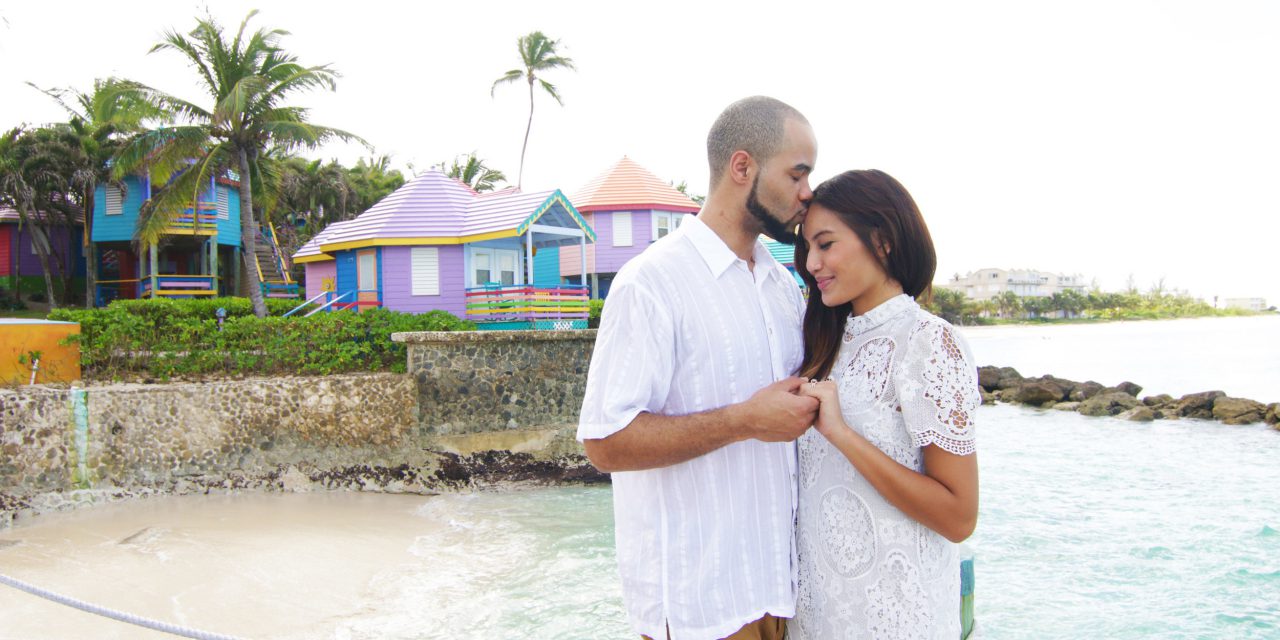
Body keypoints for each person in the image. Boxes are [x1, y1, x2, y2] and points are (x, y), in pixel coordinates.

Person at [577, 96, 818, 640]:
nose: (809, 192)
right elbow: (605, 442)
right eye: (798, 173)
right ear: (742, 168)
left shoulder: (783, 287)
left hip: (777, 595)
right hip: (696, 605)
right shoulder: (650, 283)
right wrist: (743, 420)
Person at [787, 170, 981, 639]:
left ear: (883, 240)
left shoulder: (928, 341)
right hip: (817, 617)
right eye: (807, 248)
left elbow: (958, 516)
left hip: (894, 619)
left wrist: (842, 434)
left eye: (826, 244)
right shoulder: (823, 341)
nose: (812, 263)